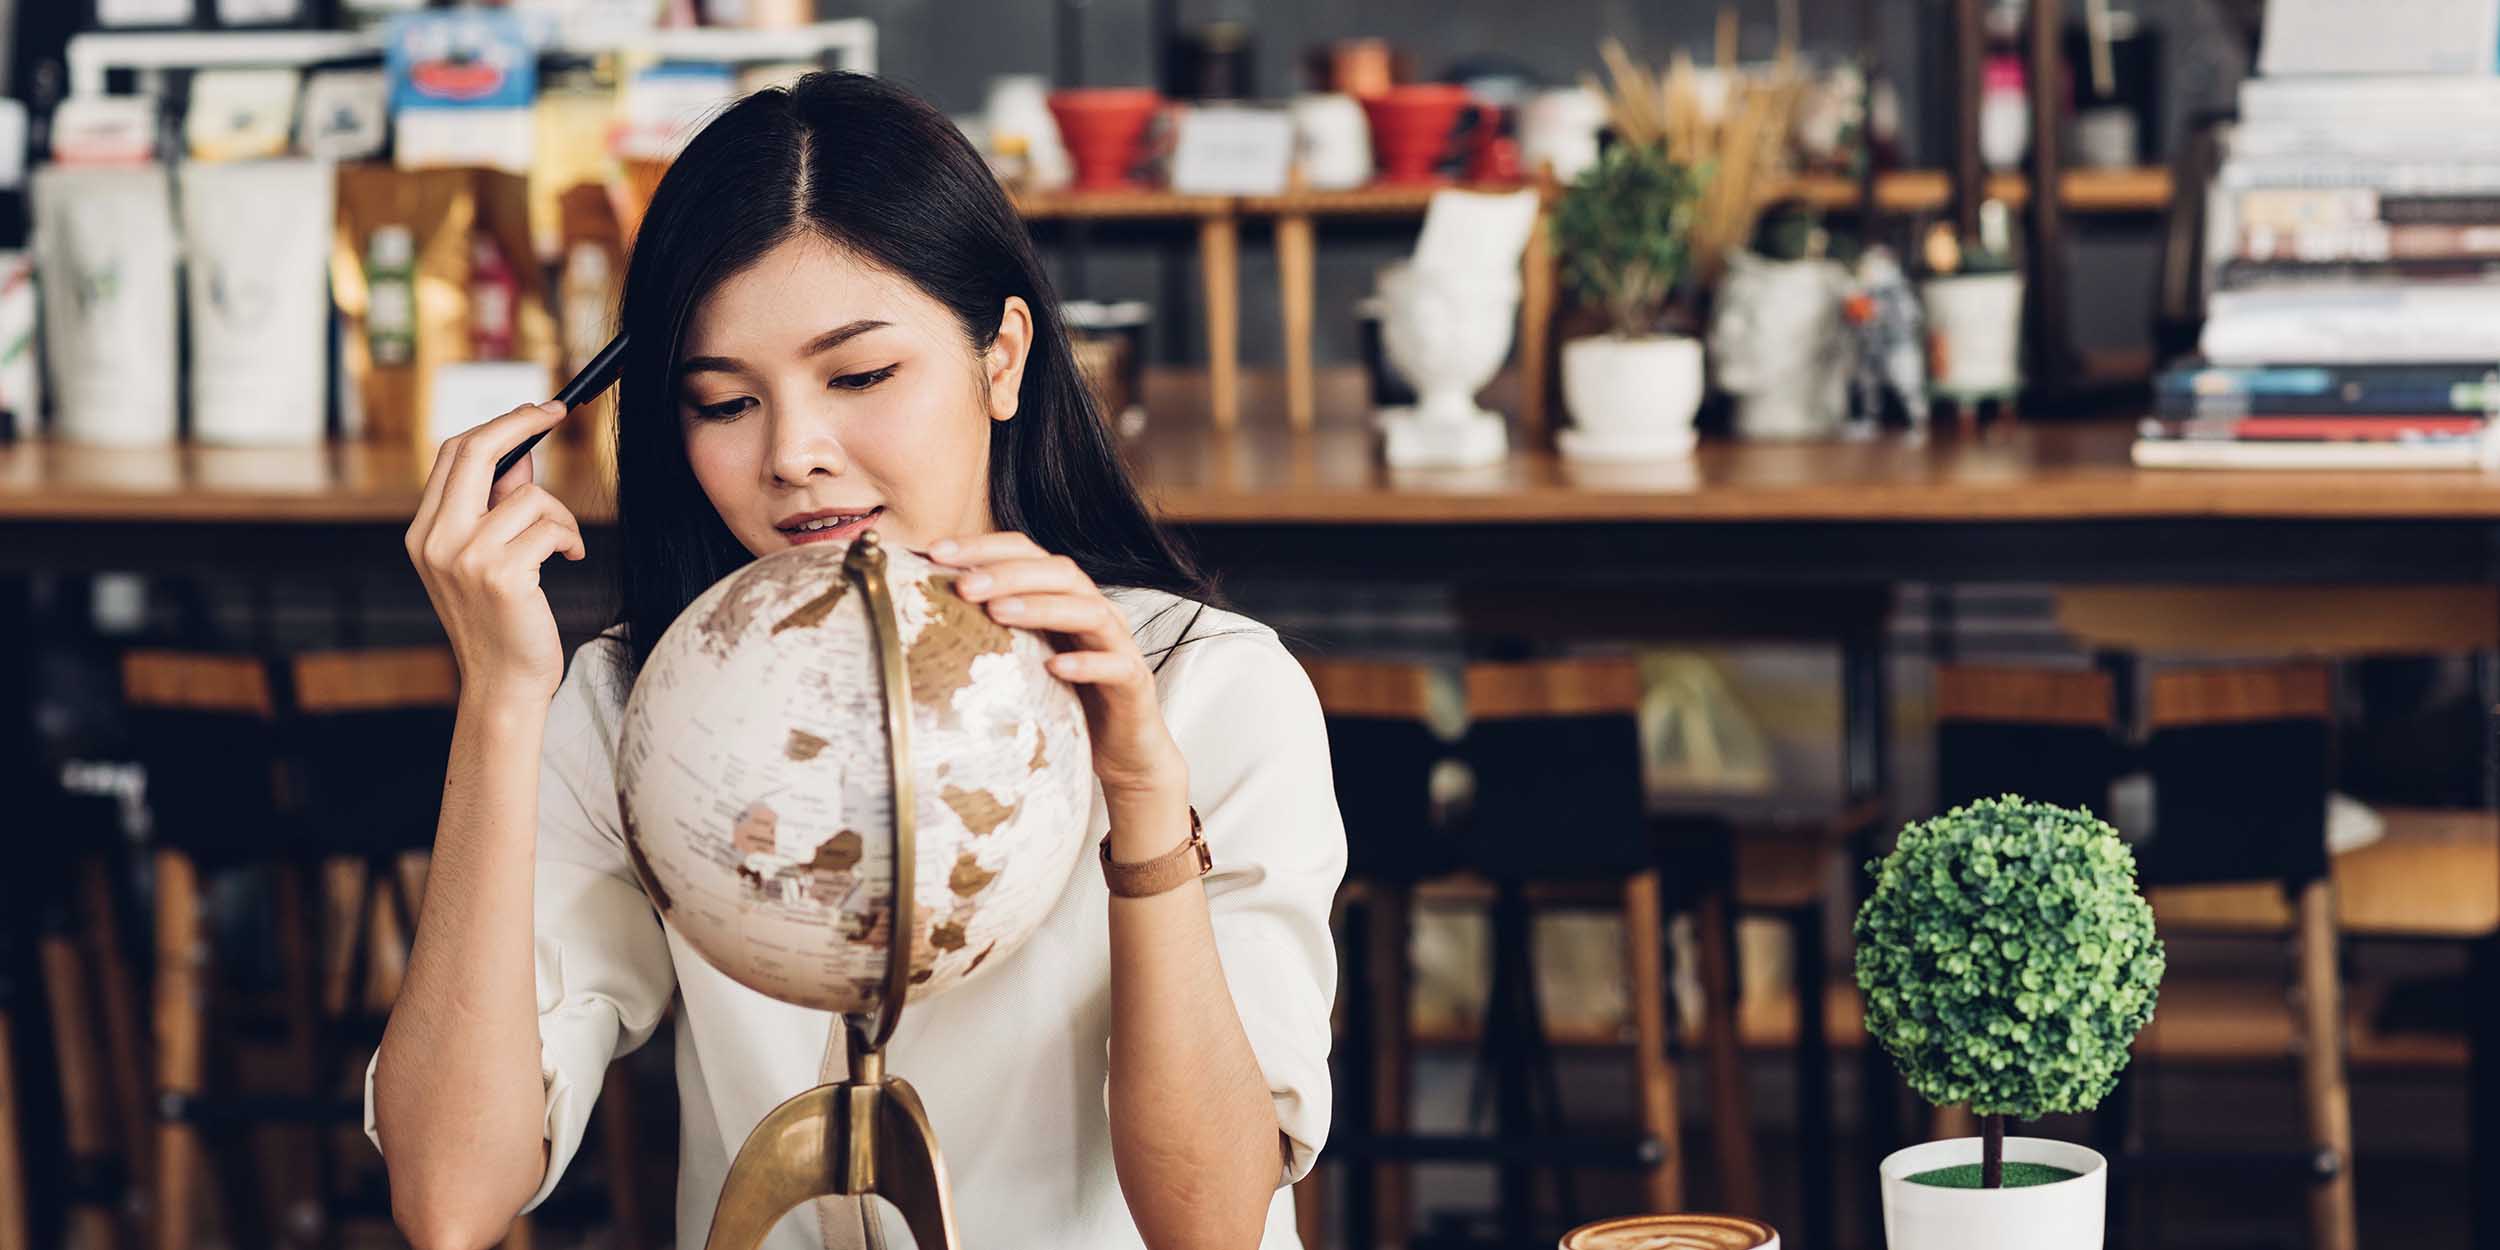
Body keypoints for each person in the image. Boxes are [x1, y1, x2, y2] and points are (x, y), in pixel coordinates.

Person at [369, 71, 1345, 1250]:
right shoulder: (650, 701)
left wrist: (1141, 797)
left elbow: (1211, 1221)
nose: (794, 455)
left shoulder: (1210, 688)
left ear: (1002, 357)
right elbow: (449, 1196)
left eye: (861, 375)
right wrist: (501, 696)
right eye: (725, 402)